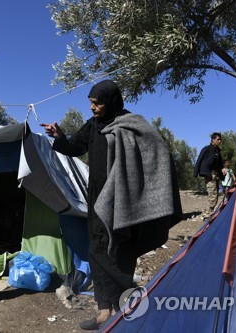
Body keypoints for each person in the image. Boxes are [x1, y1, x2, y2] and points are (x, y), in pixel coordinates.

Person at [40, 79, 182, 330]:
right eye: (91, 103)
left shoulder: (130, 124)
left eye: (97, 103)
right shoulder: (93, 125)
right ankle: (104, 309)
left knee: (118, 248)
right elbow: (75, 147)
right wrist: (59, 137)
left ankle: (125, 302)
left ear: (111, 101)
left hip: (121, 196)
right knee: (96, 247)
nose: (93, 108)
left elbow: (157, 148)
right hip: (96, 194)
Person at [193, 132, 224, 218]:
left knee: (216, 193)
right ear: (213, 139)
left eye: (220, 139)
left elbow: (220, 165)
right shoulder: (206, 149)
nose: (220, 141)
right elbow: (199, 160)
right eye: (218, 139)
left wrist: (222, 173)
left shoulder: (218, 151)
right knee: (212, 193)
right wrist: (196, 173)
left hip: (216, 175)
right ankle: (209, 213)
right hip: (209, 174)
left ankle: (210, 211)